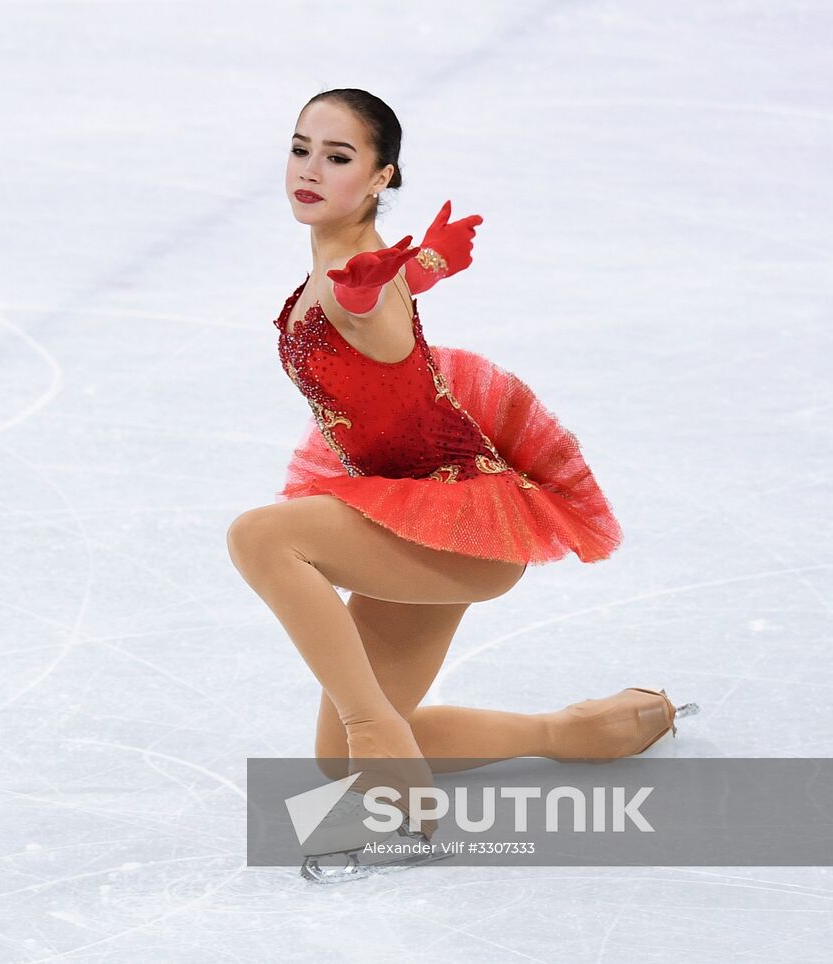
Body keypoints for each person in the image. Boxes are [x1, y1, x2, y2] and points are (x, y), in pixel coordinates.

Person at [225, 89, 697, 812]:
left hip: (459, 524)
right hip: (408, 518)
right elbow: (384, 303)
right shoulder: (361, 265)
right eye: (300, 149)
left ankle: (381, 744)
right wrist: (423, 272)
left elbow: (380, 331)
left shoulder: (363, 274)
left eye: (339, 156)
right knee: (331, 761)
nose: (310, 169)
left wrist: (380, 297)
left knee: (260, 538)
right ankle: (581, 731)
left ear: (382, 177)